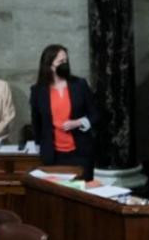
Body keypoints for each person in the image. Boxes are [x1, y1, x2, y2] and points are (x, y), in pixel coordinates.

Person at [29, 44, 99, 180]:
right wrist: (39, 146)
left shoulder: (79, 85)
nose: (65, 65)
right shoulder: (38, 90)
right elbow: (36, 121)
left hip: (80, 152)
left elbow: (95, 114)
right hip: (53, 155)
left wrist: (78, 122)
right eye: (60, 62)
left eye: (66, 61)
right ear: (49, 65)